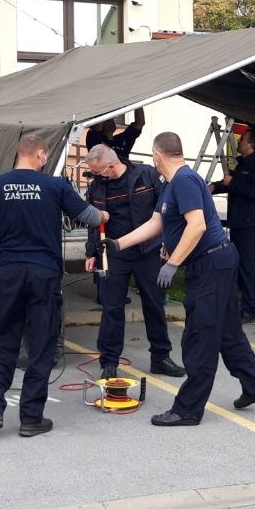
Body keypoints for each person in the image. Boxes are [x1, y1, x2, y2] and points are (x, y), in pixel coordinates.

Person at [108, 132, 255, 427]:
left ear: (157, 155)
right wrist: (118, 243)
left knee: (200, 336)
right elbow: (156, 224)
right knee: (227, 333)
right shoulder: (172, 185)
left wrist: (172, 263)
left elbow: (197, 226)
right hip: (214, 264)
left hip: (210, 264)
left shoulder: (184, 180)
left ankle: (187, 410)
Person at [0, 134, 105, 438]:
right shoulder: (55, 186)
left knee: (2, 339)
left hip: (9, 274)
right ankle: (31, 418)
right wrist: (104, 214)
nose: (45, 161)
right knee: (41, 343)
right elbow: (89, 217)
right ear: (40, 154)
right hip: (44, 275)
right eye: (46, 156)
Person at [83, 145, 184, 379]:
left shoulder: (146, 174)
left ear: (110, 165)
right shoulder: (97, 187)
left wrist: (168, 244)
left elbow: (166, 210)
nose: (95, 176)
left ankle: (161, 357)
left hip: (147, 251)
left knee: (155, 305)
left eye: (97, 171)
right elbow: (92, 221)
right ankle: (108, 362)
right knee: (112, 308)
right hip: (113, 253)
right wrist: (91, 252)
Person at [211, 130, 255, 324]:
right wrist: (214, 187)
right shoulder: (242, 164)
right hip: (238, 222)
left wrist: (232, 182)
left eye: (242, 140)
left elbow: (254, 191)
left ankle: (251, 308)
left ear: (250, 145)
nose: (238, 141)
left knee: (248, 265)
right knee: (236, 264)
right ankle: (239, 305)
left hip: (251, 223)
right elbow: (231, 184)